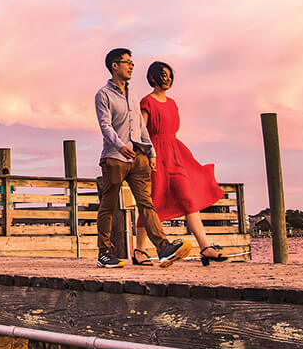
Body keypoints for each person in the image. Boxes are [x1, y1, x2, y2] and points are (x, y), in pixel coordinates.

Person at [94, 48, 191, 268]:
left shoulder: (133, 96)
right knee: (108, 205)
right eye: (127, 62)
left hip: (138, 158)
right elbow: (105, 126)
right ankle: (104, 252)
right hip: (115, 158)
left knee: (146, 203)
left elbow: (141, 127)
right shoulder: (103, 95)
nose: (131, 66)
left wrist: (151, 152)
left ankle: (163, 248)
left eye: (132, 63)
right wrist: (120, 145)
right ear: (114, 66)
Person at [137, 61, 231, 265]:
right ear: (152, 78)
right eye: (163, 75)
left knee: (188, 198)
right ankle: (139, 251)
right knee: (152, 201)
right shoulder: (147, 102)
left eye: (170, 75)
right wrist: (147, 155)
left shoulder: (172, 103)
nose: (168, 78)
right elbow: (141, 132)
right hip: (155, 154)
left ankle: (205, 247)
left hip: (175, 153)